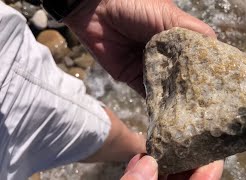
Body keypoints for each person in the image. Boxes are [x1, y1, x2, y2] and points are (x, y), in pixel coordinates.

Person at [0, 0, 224, 179]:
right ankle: (146, 154)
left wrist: (87, 6)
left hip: (8, 76)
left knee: (98, 129)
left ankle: (142, 151)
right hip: (13, 82)